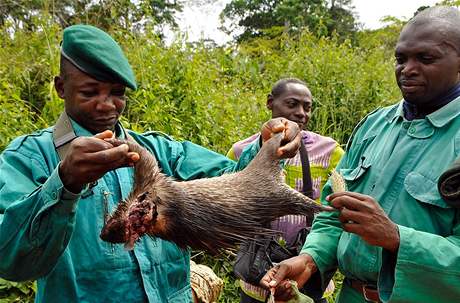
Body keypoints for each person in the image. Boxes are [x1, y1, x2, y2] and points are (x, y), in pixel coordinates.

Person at [0, 24, 301, 302]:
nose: (106, 104)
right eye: (90, 92)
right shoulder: (30, 157)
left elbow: (237, 182)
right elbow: (10, 260)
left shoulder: (161, 151)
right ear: (61, 88)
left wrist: (267, 146)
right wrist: (65, 183)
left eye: (117, 93)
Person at [261, 6, 460, 303]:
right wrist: (311, 258)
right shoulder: (373, 126)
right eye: (401, 58)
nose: (407, 69)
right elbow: (333, 212)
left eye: (426, 58)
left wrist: (397, 238)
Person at [228, 78, 344, 303]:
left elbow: (338, 206)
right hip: (256, 279)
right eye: (292, 104)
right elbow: (228, 202)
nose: (301, 113)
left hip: (307, 277)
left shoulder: (330, 151)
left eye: (307, 108)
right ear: (270, 103)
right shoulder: (242, 150)